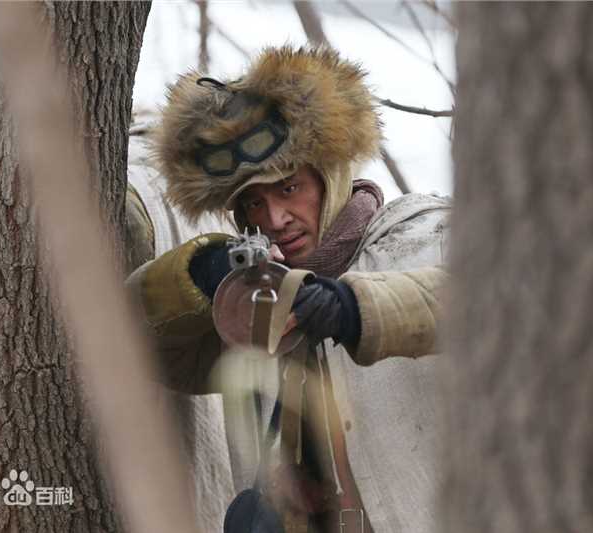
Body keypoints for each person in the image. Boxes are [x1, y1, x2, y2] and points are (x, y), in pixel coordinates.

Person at [126, 45, 449, 533]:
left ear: (328, 175)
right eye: (253, 203)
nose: (274, 219)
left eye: (289, 189)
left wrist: (352, 309)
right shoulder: (259, 306)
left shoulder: (419, 235)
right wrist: (199, 274)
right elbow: (121, 336)